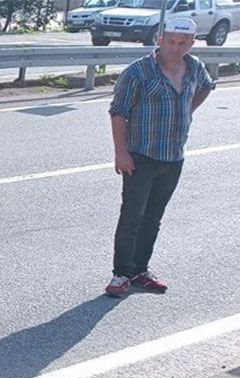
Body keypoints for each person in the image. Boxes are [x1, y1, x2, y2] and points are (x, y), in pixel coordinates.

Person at [104, 17, 214, 298]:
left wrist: (188, 109)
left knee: (154, 217)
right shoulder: (138, 72)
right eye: (171, 42)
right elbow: (118, 112)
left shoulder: (195, 67)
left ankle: (140, 269)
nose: (176, 48)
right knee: (132, 216)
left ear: (191, 43)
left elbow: (206, 86)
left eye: (182, 43)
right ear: (161, 40)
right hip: (142, 156)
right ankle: (121, 274)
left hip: (174, 157)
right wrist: (121, 152)